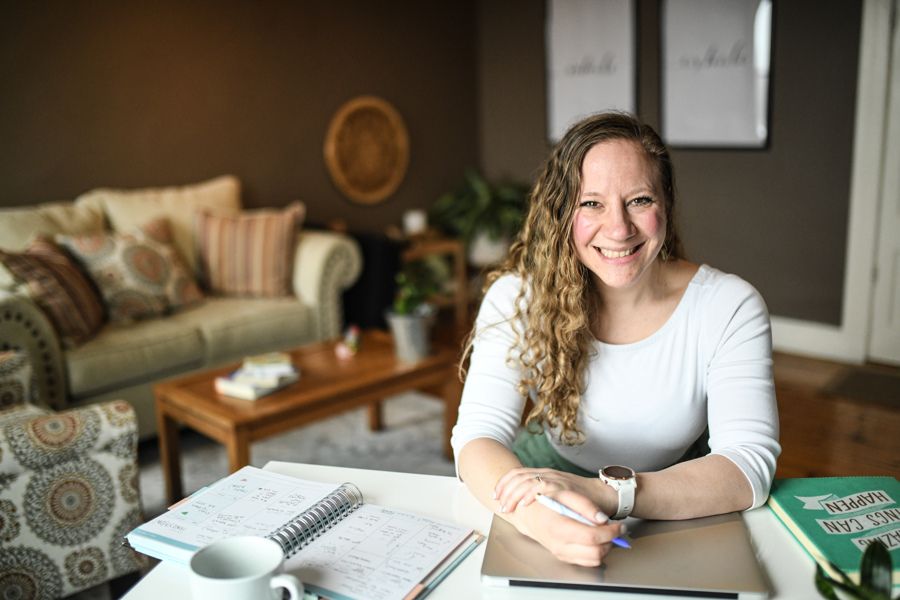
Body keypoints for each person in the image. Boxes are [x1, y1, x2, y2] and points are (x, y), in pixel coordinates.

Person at [450, 112, 780, 568]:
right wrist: (538, 517)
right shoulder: (516, 298)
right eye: (591, 203)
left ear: (666, 203)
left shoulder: (729, 305)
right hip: (543, 486)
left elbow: (747, 465)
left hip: (680, 494)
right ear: (561, 212)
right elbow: (477, 437)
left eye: (639, 200)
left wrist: (605, 493)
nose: (619, 229)